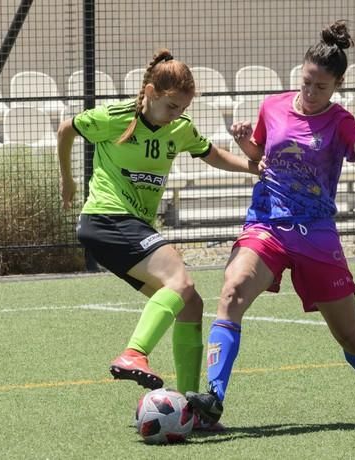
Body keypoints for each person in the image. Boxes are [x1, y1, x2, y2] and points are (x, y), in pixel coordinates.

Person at [186, 21, 355, 424]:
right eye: (306, 82)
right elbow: (259, 160)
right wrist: (246, 146)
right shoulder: (272, 106)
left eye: (320, 87)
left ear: (338, 85)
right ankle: (214, 397)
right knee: (233, 290)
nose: (310, 93)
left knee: (349, 335)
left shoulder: (339, 121)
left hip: (317, 237)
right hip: (266, 224)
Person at [57, 49, 259, 429]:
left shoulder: (179, 129)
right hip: (107, 217)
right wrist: (68, 180)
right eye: (170, 105)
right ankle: (134, 353)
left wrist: (254, 168)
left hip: (129, 227)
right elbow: (66, 128)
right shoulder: (116, 118)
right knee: (181, 281)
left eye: (182, 107)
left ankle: (191, 410)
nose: (176, 113)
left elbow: (211, 153)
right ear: (149, 92)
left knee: (190, 304)